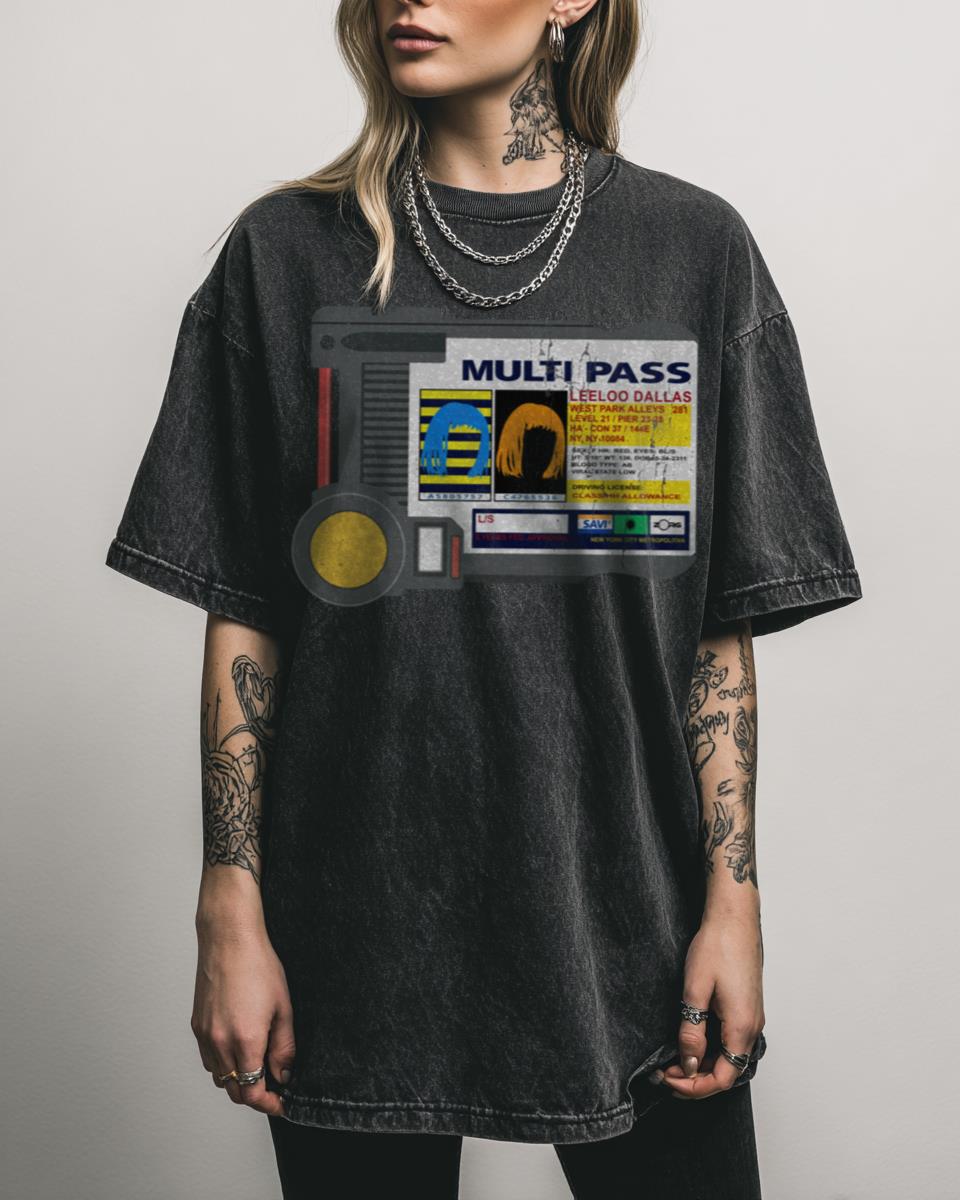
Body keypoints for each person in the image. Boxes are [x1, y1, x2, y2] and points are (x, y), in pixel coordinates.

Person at [104, 0, 863, 1196]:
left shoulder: (693, 252)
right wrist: (229, 905)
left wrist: (734, 902)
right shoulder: (285, 254)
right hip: (351, 933)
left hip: (632, 926)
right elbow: (246, 609)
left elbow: (714, 634)